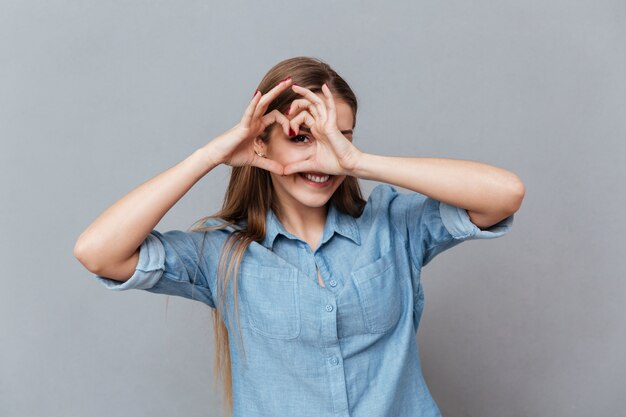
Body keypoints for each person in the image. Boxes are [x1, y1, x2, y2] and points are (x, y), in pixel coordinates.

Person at [74, 56, 525, 417]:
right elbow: (97, 252)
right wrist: (210, 155)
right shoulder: (223, 254)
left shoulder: (393, 224)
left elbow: (505, 194)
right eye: (302, 137)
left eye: (337, 137)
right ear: (261, 144)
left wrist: (357, 161)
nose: (322, 157)